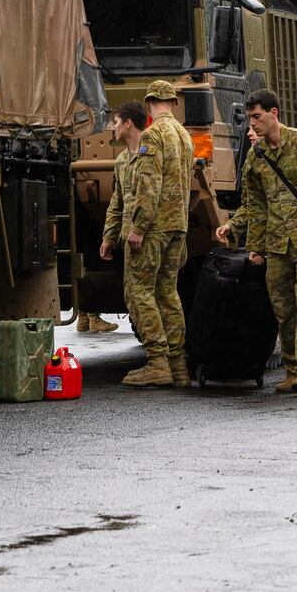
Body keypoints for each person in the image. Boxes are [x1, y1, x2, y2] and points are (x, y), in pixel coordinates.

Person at [216, 89, 297, 396]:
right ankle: (291, 369)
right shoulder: (257, 157)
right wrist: (247, 238)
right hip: (276, 245)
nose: (253, 124)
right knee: (283, 309)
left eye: (258, 116)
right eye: (250, 118)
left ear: (274, 113)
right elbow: (255, 206)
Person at [100, 101, 188, 388]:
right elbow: (117, 203)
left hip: (147, 234)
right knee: (164, 292)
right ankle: (178, 366)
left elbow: (150, 192)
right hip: (147, 232)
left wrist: (138, 228)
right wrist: (109, 237)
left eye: (115, 121)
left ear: (128, 124)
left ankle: (158, 362)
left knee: (139, 293)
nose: (112, 127)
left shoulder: (150, 150)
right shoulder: (123, 161)